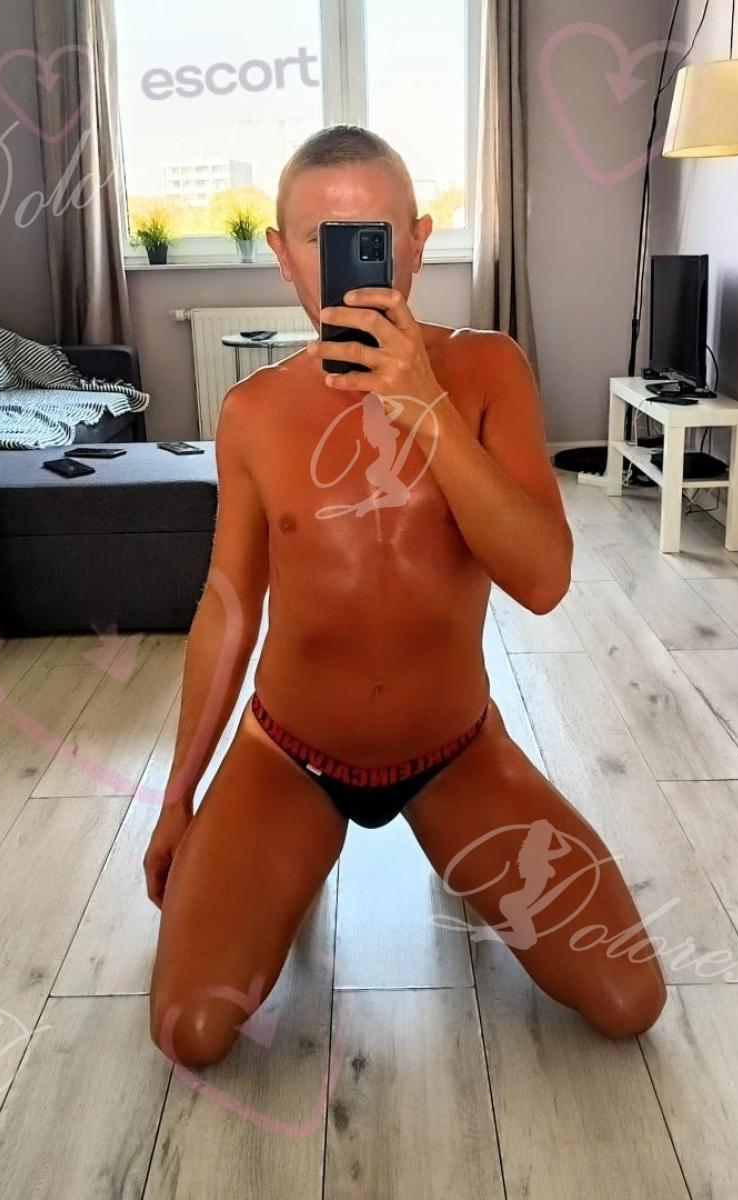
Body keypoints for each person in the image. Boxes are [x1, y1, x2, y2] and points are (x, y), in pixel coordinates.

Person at [145, 125, 667, 1068]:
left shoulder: (488, 369)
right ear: (282, 255)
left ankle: (457, 855)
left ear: (416, 244)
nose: (349, 264)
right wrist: (177, 798)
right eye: (320, 238)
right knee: (191, 1032)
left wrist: (421, 403)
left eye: (374, 236)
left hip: (455, 751)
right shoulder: (252, 412)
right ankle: (288, 862)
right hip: (287, 755)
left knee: (629, 1000)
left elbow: (542, 581)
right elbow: (227, 607)